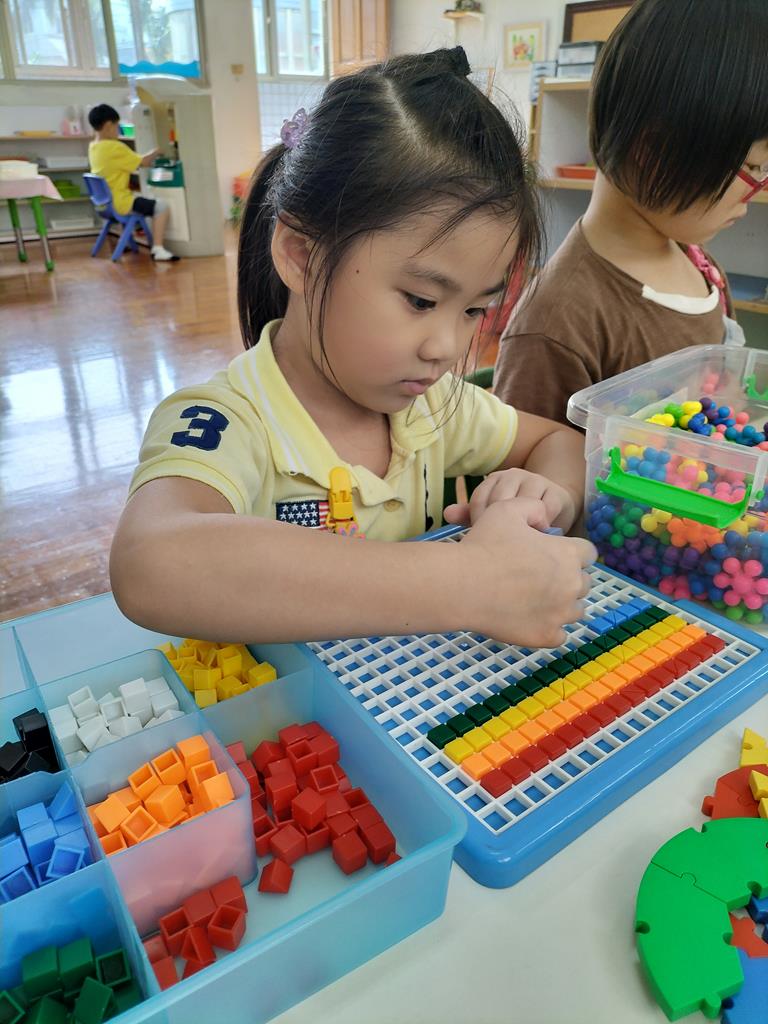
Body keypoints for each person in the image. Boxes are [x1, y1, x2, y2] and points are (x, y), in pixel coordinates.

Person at [110, 47, 595, 650]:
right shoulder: (227, 421)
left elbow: (559, 443)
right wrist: (470, 581)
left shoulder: (434, 409)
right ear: (301, 256)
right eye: (420, 300)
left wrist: (546, 496)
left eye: (475, 310)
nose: (446, 347)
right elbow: (150, 562)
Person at [494, 0, 768, 426]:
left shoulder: (701, 266)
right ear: (655, 152)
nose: (759, 188)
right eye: (753, 167)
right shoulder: (557, 324)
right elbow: (524, 460)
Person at [87, 104, 179, 263]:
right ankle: (158, 249)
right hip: (121, 202)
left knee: (137, 197)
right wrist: (157, 151)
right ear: (108, 126)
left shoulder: (93, 147)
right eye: (117, 126)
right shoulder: (115, 147)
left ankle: (129, 243)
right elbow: (144, 162)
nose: (118, 130)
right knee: (161, 206)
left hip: (104, 204)